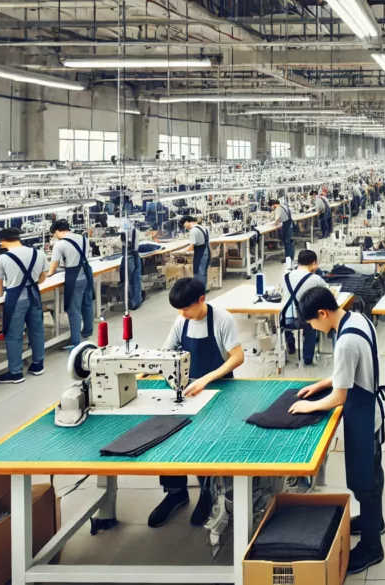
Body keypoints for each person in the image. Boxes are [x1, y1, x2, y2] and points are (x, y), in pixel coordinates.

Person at [289, 288, 385, 574]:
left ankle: (372, 548)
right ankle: (375, 522)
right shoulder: (358, 318)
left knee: (363, 484)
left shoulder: (344, 342)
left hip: (362, 416)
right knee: (373, 474)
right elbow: (348, 372)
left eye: (311, 323)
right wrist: (322, 383)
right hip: (372, 411)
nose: (312, 328)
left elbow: (339, 398)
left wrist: (310, 406)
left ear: (322, 313)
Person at [152, 277, 244, 528]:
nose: (181, 314)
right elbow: (167, 351)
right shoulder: (181, 320)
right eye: (179, 310)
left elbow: (237, 357)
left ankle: (207, 493)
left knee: (205, 439)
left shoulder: (222, 320)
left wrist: (206, 379)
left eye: (185, 309)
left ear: (202, 300)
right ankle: (175, 492)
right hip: (187, 389)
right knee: (167, 434)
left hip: (219, 388)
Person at [0, 228, 47, 383]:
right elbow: (43, 277)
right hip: (34, 295)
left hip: (16, 299)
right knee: (37, 330)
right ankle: (38, 365)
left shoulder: (1, 260)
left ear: (2, 241)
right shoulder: (39, 253)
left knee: (13, 335)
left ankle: (15, 373)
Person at [46, 220, 95, 349]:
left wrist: (49, 274)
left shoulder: (60, 244)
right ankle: (87, 331)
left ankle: (75, 341)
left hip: (75, 277)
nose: (54, 236)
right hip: (87, 273)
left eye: (54, 234)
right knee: (87, 303)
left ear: (57, 231)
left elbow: (54, 264)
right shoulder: (83, 238)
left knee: (74, 310)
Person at [282, 250, 327, 365]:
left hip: (285, 319)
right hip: (303, 320)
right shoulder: (315, 279)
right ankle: (308, 358)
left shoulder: (285, 276)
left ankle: (290, 341)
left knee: (287, 316)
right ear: (313, 263)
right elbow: (327, 294)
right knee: (311, 324)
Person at [180, 216, 210, 291]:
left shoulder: (193, 230)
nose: (186, 228)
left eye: (184, 225)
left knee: (198, 274)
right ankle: (202, 291)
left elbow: (191, 247)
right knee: (203, 273)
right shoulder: (202, 227)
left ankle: (199, 293)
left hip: (201, 254)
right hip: (206, 251)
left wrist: (181, 251)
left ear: (187, 222)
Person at [121, 224, 144, 310]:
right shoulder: (135, 231)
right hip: (135, 256)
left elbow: (127, 243)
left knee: (130, 281)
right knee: (136, 280)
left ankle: (134, 302)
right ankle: (137, 300)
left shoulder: (127, 232)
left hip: (130, 257)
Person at [270, 198, 294, 263]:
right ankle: (291, 257)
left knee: (286, 242)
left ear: (273, 205)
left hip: (287, 226)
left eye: (271, 206)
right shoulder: (284, 206)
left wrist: (275, 224)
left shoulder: (278, 209)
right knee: (289, 241)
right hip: (290, 224)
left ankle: (287, 258)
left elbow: (277, 220)